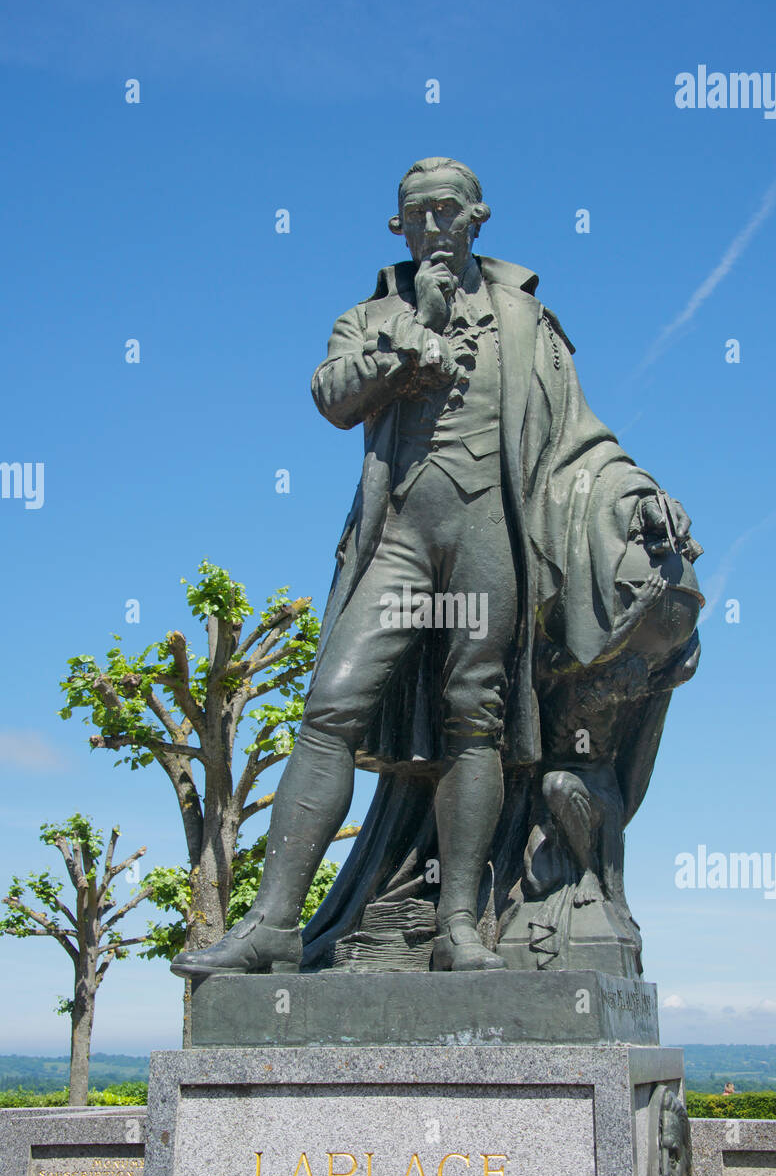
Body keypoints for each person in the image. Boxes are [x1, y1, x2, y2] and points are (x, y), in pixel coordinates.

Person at [172, 157, 697, 980]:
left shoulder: (528, 326)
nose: (432, 227)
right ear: (399, 226)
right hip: (402, 539)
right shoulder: (370, 314)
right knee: (331, 705)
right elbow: (329, 393)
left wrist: (639, 494)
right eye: (415, 215)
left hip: (488, 533)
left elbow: (581, 439)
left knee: (473, 718)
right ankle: (273, 926)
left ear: (477, 218)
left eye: (447, 211)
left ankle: (457, 927)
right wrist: (401, 349)